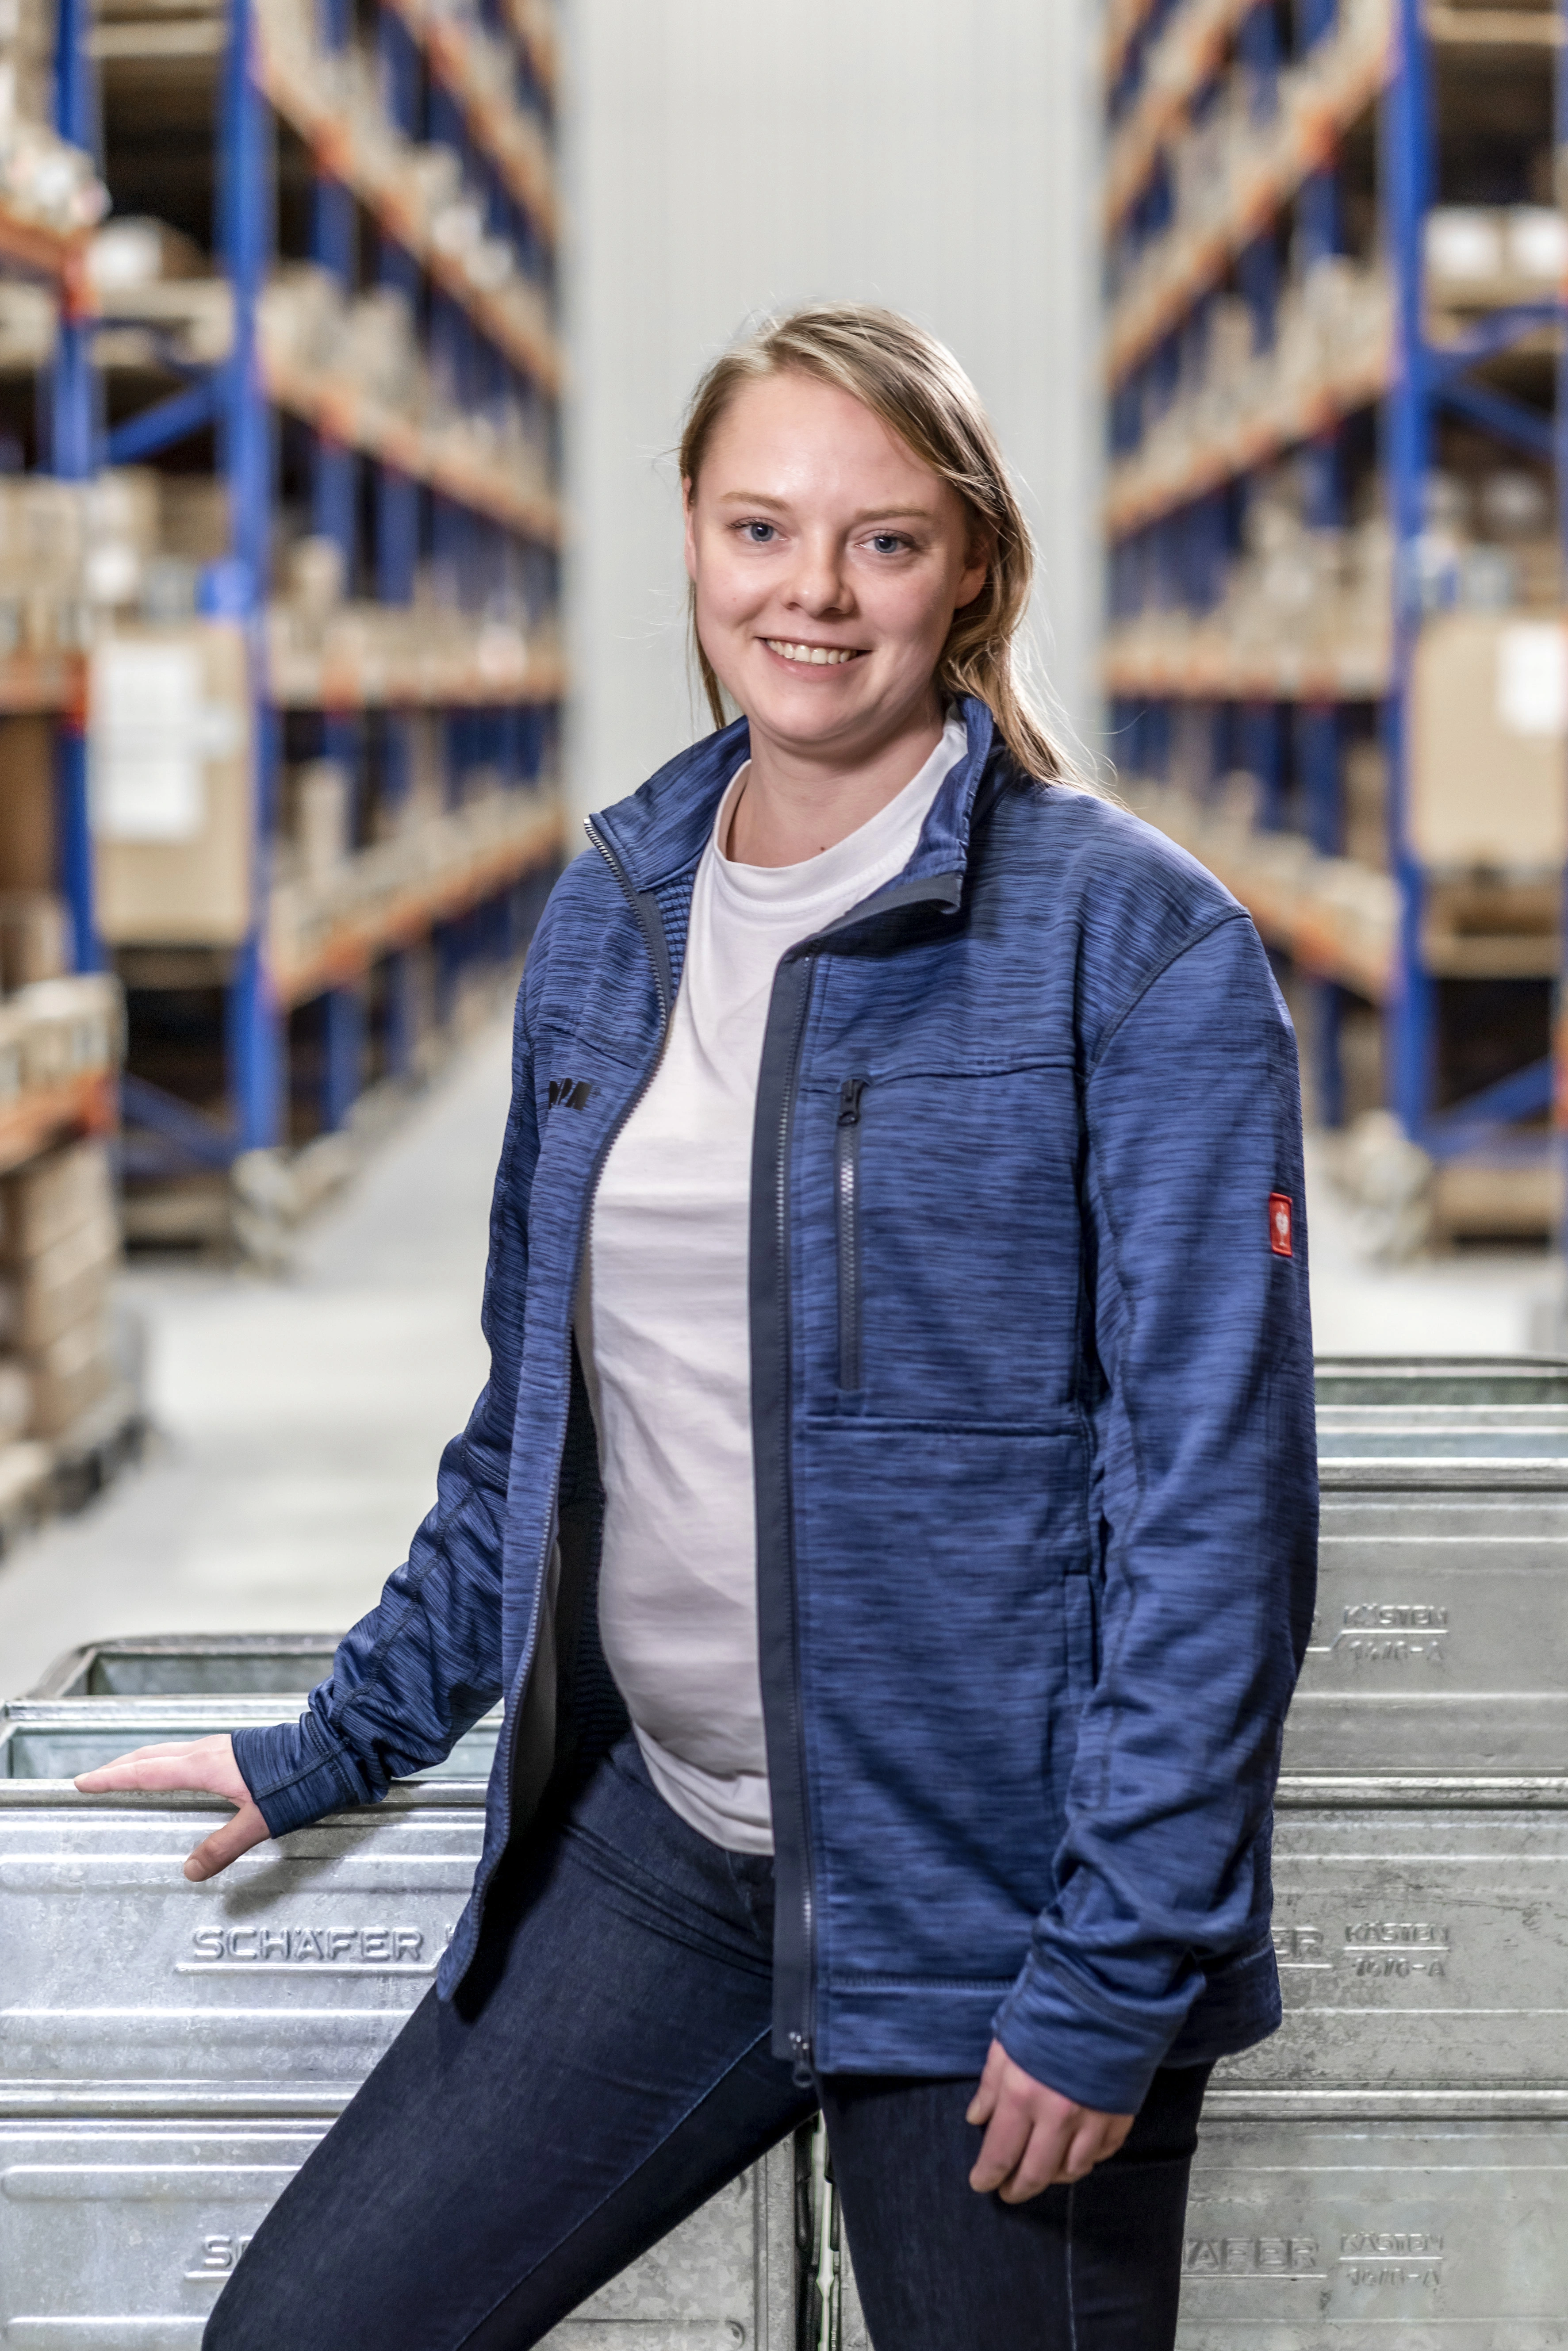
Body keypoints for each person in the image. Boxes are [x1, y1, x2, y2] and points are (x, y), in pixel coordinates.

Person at [79, 303, 1317, 2350]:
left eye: (883, 541)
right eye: (761, 527)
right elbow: (536, 1433)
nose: (811, 593)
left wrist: (1117, 1973)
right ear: (687, 534)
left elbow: (1217, 1514)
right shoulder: (617, 908)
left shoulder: (1136, 942)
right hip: (677, 1857)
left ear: (976, 569)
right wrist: (335, 1737)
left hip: (992, 1907)